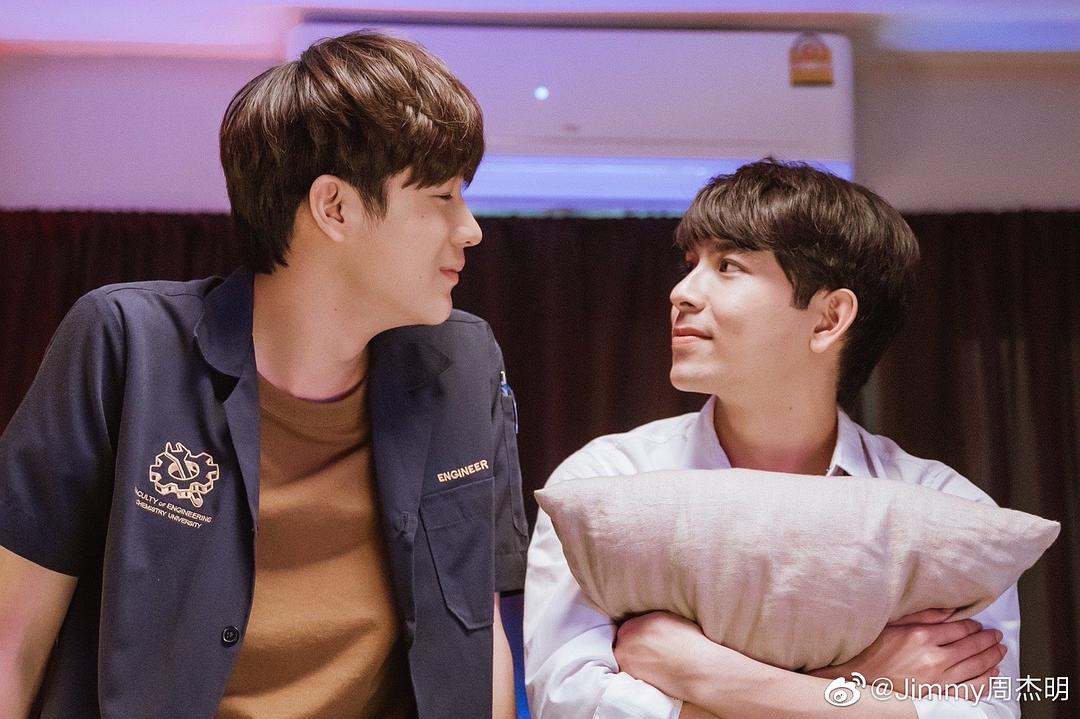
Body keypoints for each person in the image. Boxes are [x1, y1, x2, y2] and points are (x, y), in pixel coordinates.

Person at [0, 31, 527, 719]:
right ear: (334, 207)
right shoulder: (125, 342)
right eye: (442, 196)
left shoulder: (465, 365)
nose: (471, 228)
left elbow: (481, 636)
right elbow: (13, 636)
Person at [524, 159, 1019, 719]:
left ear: (829, 318)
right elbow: (569, 705)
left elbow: (984, 713)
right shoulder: (606, 483)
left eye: (728, 266)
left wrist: (697, 673)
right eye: (691, 264)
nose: (682, 292)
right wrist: (858, 686)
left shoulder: (950, 516)